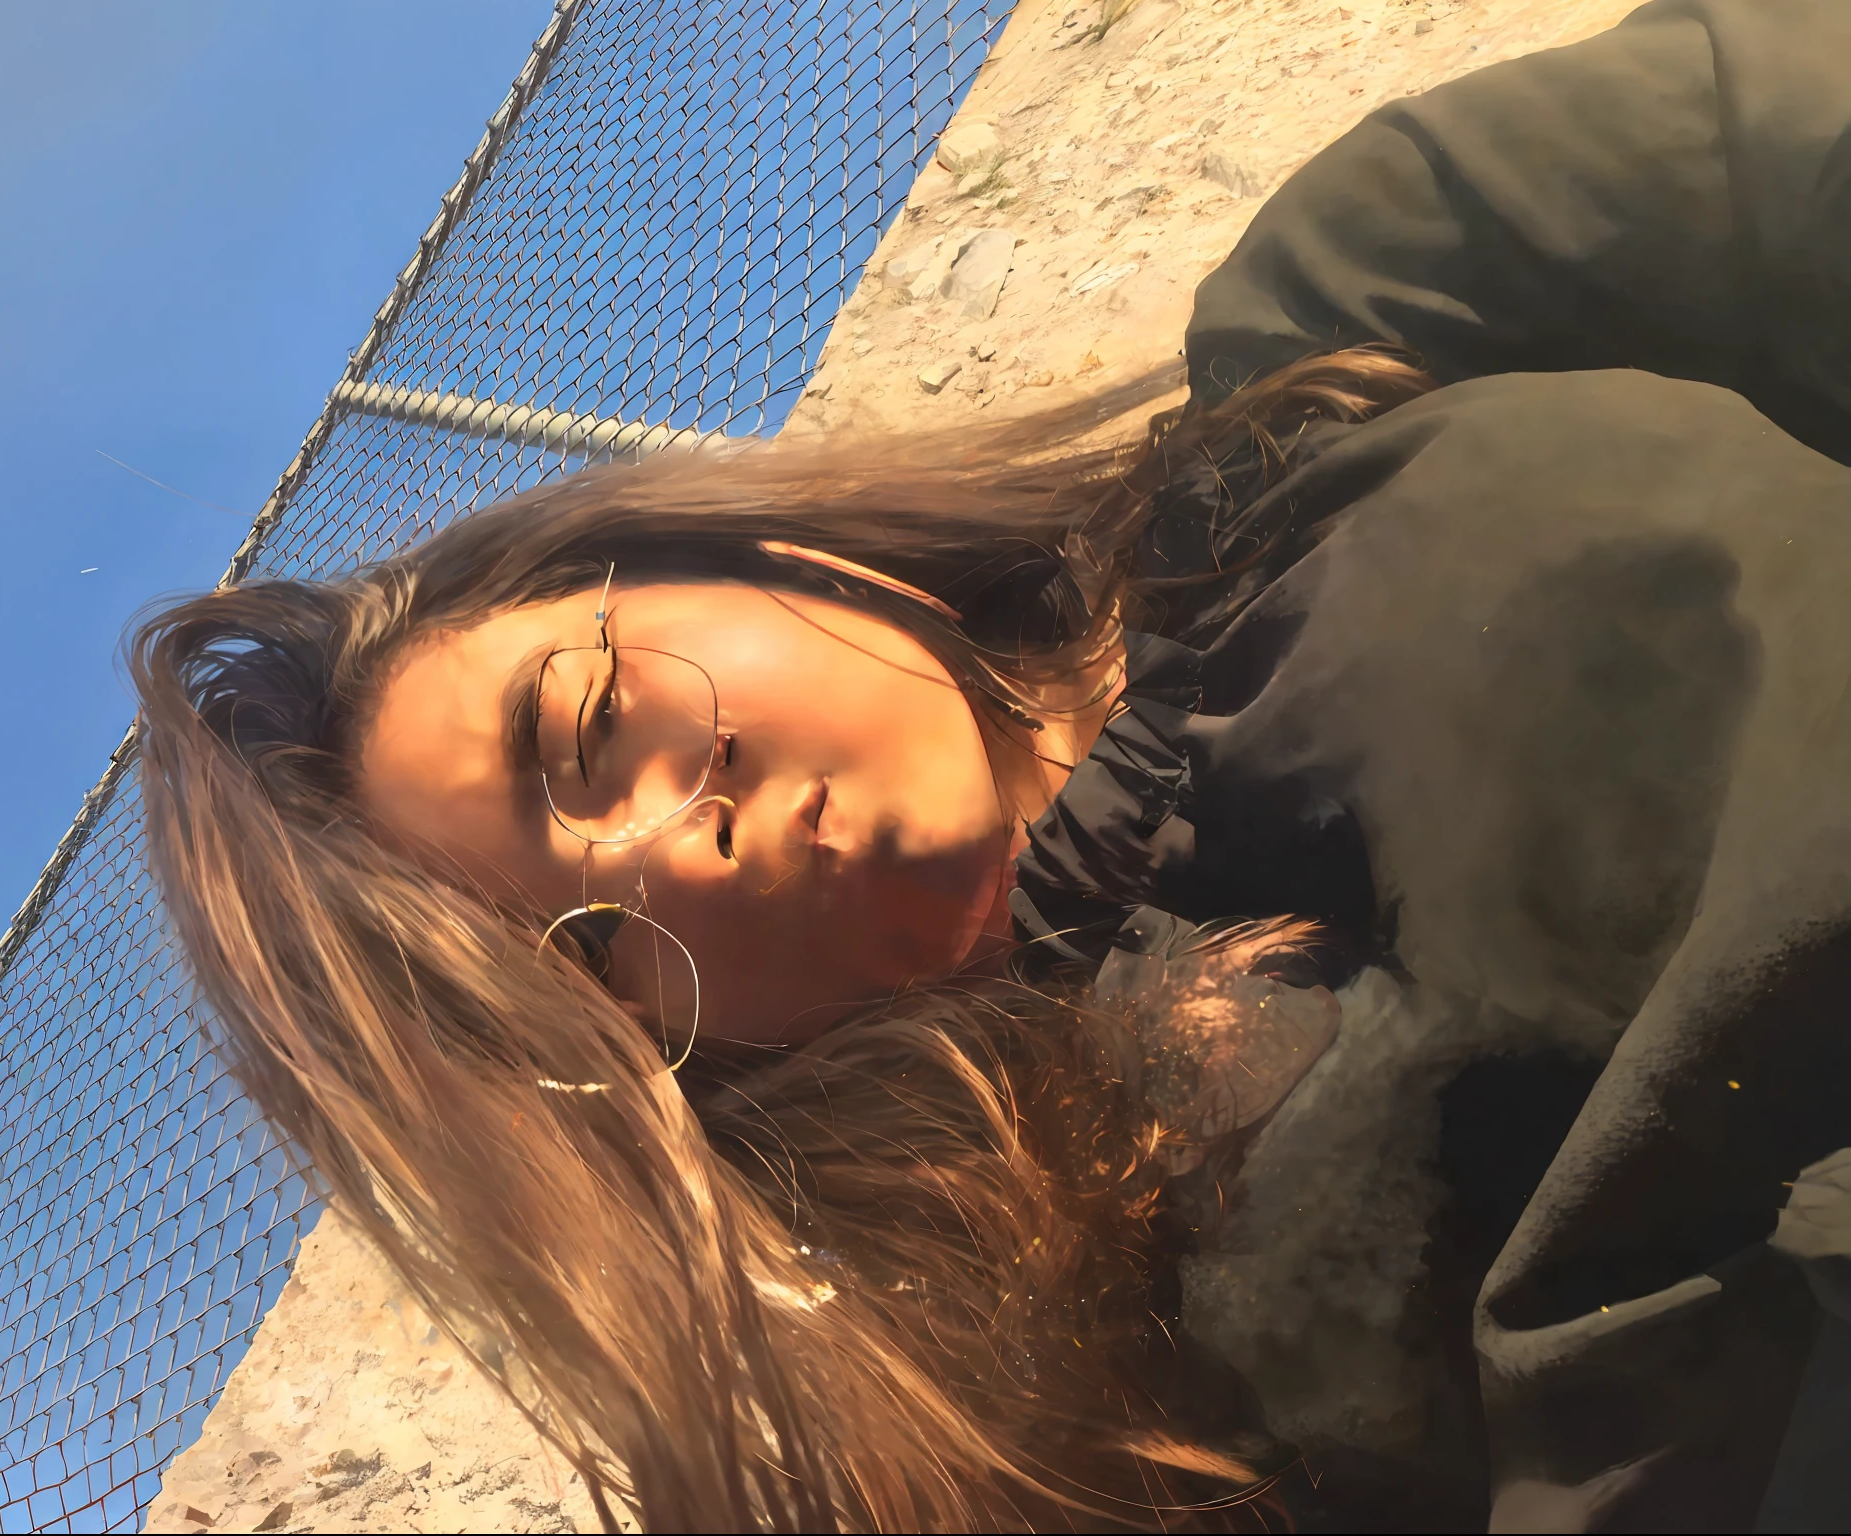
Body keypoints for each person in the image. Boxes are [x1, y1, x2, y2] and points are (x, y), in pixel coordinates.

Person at [131, 1, 1851, 1529]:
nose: (678, 860)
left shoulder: (1367, 306)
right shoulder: (1073, 1352)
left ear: (763, 564)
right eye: (592, 956)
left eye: (591, 731)